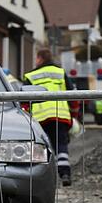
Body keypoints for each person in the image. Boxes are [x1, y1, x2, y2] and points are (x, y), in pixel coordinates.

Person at [24, 49, 74, 186]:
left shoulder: (30, 75)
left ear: (40, 58)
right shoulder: (60, 72)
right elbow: (73, 96)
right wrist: (74, 115)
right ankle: (64, 174)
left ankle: (42, 180)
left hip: (39, 119)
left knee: (41, 148)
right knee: (61, 146)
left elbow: (24, 101)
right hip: (60, 116)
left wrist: (25, 118)